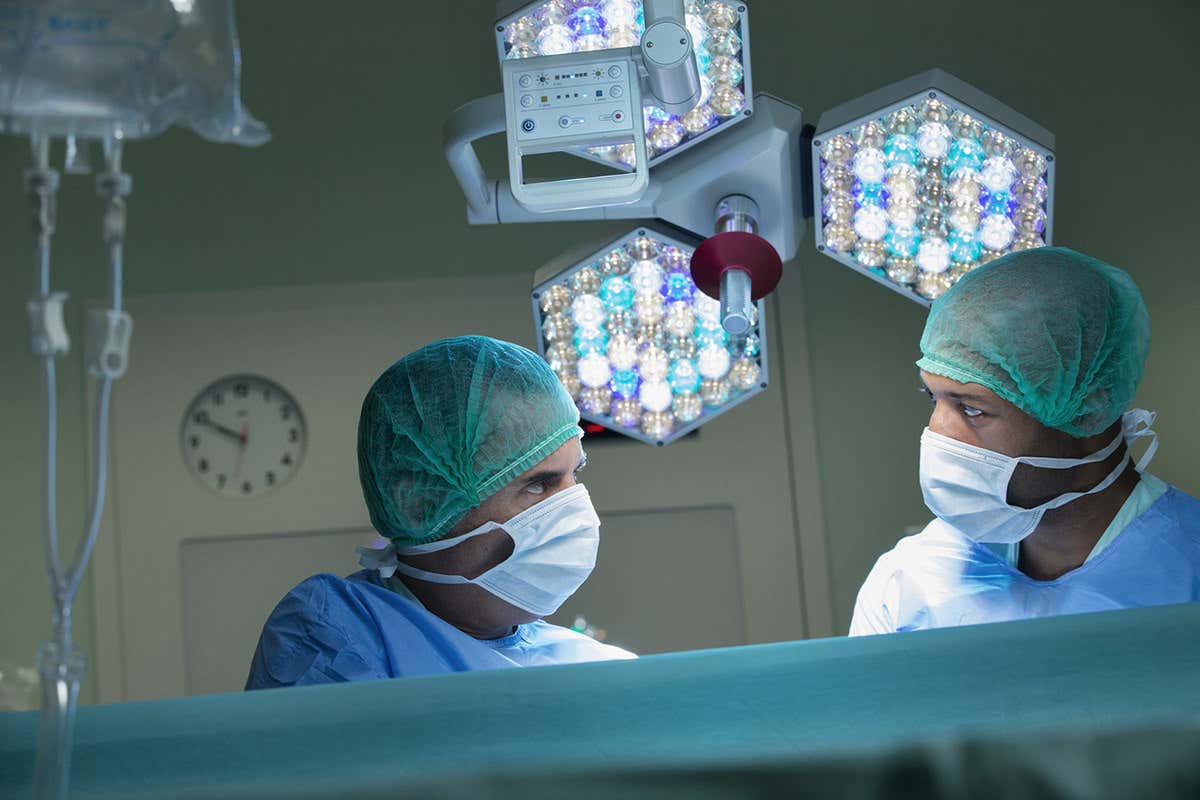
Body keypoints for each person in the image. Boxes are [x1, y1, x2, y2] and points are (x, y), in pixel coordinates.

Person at [246, 336, 633, 689]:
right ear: (422, 503)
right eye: (538, 485)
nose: (576, 508)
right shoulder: (337, 631)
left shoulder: (593, 665)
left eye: (575, 474)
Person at [850, 247, 1200, 636]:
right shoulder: (909, 583)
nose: (938, 432)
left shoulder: (1188, 573)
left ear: (1089, 408)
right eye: (933, 398)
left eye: (972, 409)